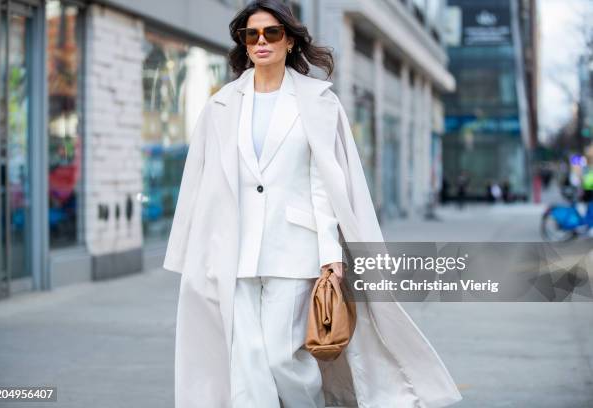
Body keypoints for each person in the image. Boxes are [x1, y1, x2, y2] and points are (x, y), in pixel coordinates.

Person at [163, 1, 462, 407]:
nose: (262, 41)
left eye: (272, 33)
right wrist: (189, 252)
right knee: (247, 361)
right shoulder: (221, 105)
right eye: (252, 34)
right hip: (233, 250)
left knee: (283, 357)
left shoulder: (318, 101)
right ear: (243, 44)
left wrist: (330, 253)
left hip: (295, 248)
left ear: (290, 41)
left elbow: (325, 183)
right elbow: (199, 181)